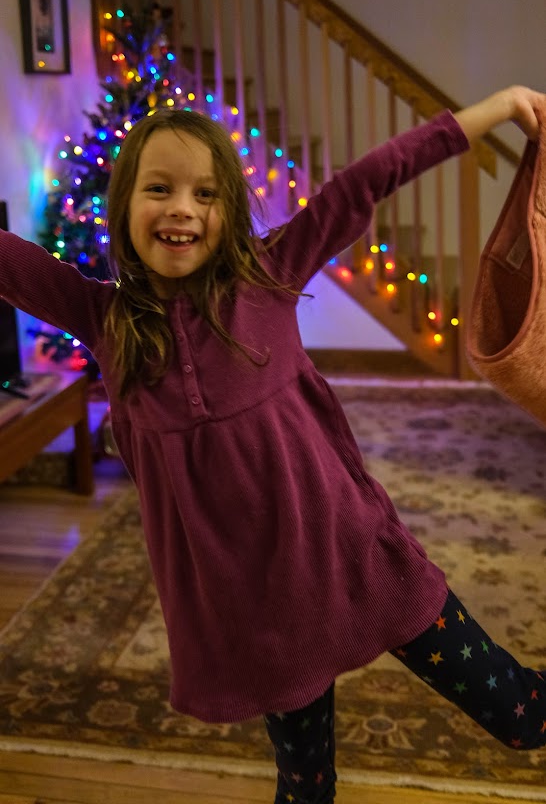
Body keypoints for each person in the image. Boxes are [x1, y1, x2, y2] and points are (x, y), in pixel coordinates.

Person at [1, 84, 545, 803]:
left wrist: (500, 107)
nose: (182, 208)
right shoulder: (103, 320)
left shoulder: (269, 274)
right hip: (259, 615)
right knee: (305, 787)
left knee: (519, 715)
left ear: (229, 210)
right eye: (158, 189)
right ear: (123, 204)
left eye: (205, 194)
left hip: (355, 556)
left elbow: (369, 178)